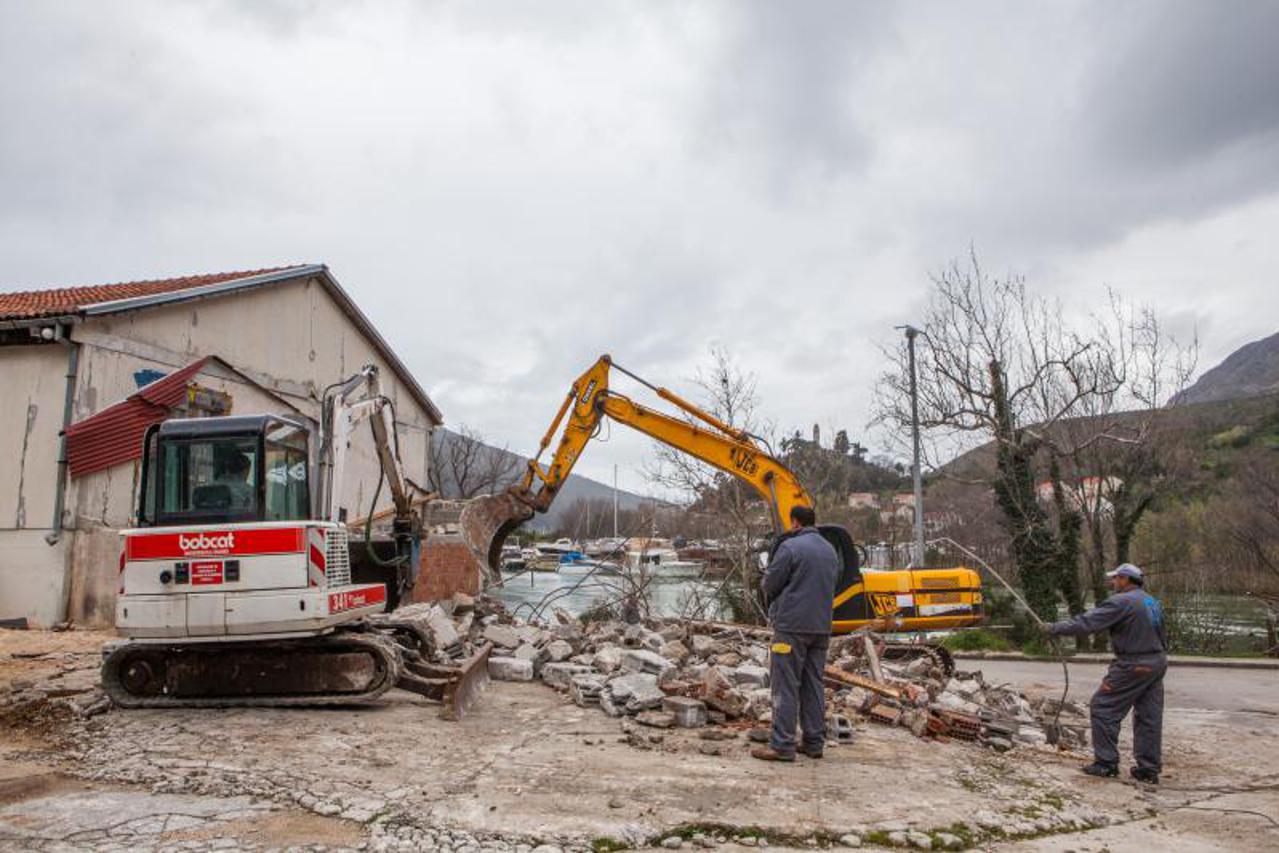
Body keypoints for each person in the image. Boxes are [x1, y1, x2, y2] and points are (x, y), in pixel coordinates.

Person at [1044, 563, 1168, 783]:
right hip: (1157, 662)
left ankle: (1106, 763)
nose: (1112, 583)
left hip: (1133, 663)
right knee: (1149, 716)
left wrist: (1054, 628)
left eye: (1115, 579)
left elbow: (1087, 624)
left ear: (1125, 580)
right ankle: (1149, 770)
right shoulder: (1151, 601)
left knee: (1103, 707)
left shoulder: (1121, 602)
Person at [751, 505, 841, 762]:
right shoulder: (829, 550)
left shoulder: (790, 548)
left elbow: (770, 583)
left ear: (795, 523)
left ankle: (782, 745)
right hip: (821, 628)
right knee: (813, 683)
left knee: (785, 684)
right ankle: (814, 742)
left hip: (791, 627)